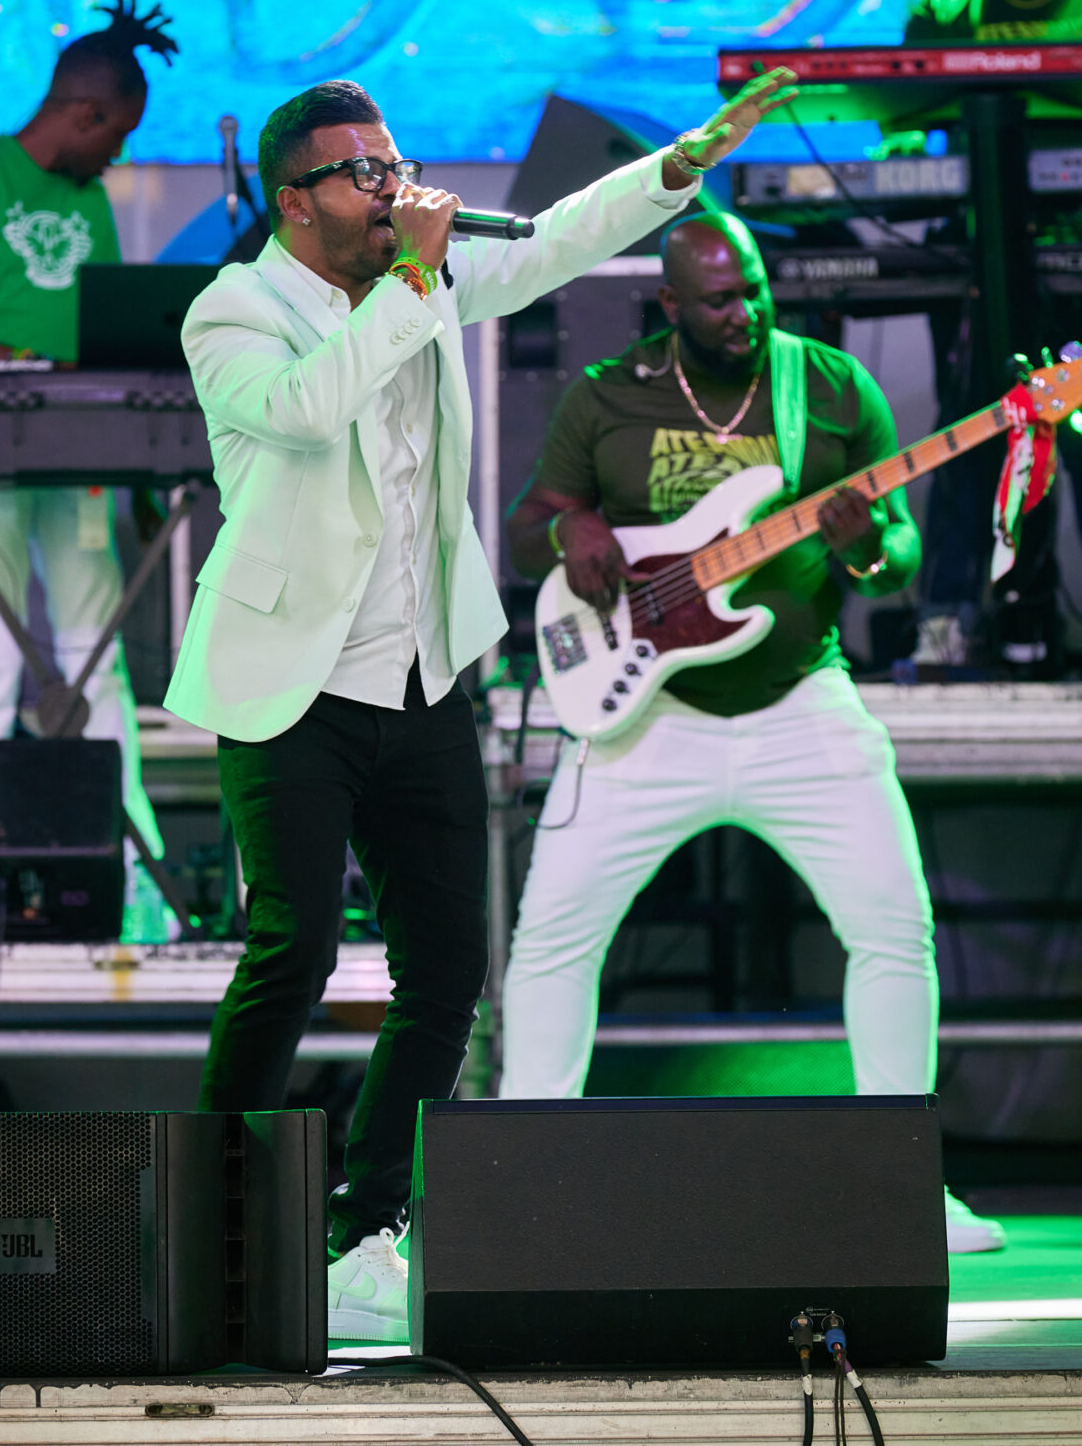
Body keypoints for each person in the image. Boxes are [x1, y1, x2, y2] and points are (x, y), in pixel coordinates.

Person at [163, 67, 794, 1343]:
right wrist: (413, 277)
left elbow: (557, 238)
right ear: (296, 201)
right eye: (362, 172)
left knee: (447, 965)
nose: (391, 187)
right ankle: (212, 1226)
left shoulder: (429, 275)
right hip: (292, 679)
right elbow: (304, 411)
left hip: (421, 674)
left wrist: (681, 163)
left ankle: (364, 1227)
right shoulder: (234, 309)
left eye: (395, 164)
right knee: (290, 951)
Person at [497, 211, 1005, 1256]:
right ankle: (523, 1186)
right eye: (721, 301)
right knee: (550, 941)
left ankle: (904, 1186)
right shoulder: (608, 392)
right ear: (670, 304)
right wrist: (571, 525)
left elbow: (898, 556)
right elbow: (525, 527)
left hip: (798, 706)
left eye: (757, 291)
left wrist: (866, 550)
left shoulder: (826, 385)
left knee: (892, 930)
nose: (746, 314)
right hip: (643, 716)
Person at [0, 0, 178, 941]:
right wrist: (21, 366)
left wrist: (138, 471)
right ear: (85, 113)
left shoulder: (90, 199)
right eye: (118, 135)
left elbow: (100, 334)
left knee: (96, 657)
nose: (119, 157)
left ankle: (134, 885)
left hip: (79, 453)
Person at [902, 0, 1082, 673]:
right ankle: (947, 616)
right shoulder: (944, 8)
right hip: (977, 245)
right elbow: (902, 120)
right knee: (971, 426)